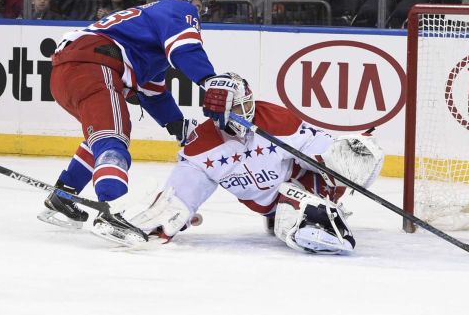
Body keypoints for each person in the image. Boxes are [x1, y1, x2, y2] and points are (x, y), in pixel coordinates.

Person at [38, 0, 239, 246]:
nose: (198, 11)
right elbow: (186, 49)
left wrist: (177, 126)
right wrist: (209, 80)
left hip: (69, 71)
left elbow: (152, 91)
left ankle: (64, 195)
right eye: (197, 4)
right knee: (114, 135)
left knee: (100, 135)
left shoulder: (144, 29)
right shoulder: (177, 8)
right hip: (94, 65)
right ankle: (110, 208)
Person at [127, 73, 385, 255]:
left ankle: (301, 210)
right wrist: (168, 216)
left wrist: (341, 157)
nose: (249, 110)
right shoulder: (201, 147)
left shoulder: (273, 118)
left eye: (248, 103)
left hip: (303, 182)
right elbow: (180, 198)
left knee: (309, 223)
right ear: (219, 113)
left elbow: (320, 150)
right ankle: (280, 214)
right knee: (289, 218)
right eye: (240, 107)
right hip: (266, 204)